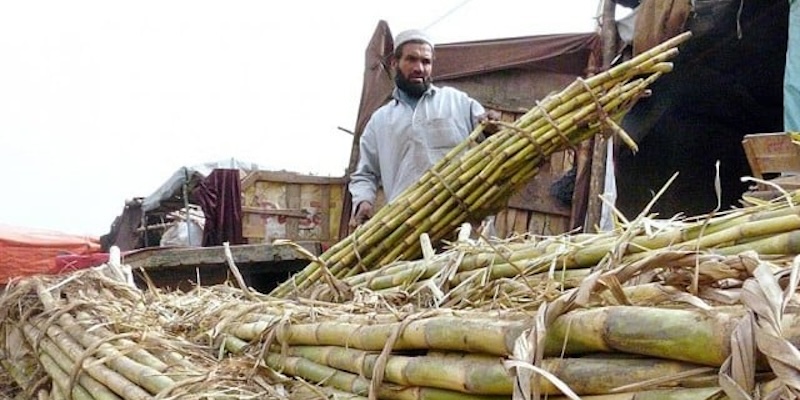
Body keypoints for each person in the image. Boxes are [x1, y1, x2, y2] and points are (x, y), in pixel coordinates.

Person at [348, 29, 498, 228]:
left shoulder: (457, 101)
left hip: (464, 221)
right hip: (407, 227)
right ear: (394, 63)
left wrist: (492, 128)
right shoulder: (380, 121)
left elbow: (491, 142)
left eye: (426, 62)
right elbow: (365, 174)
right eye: (411, 59)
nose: (419, 68)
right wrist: (363, 201)